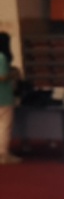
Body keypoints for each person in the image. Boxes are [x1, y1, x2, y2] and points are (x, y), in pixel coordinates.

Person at [0, 32, 21, 165]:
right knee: (4, 126)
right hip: (3, 96)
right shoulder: (1, 57)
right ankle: (3, 153)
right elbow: (2, 77)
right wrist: (12, 74)